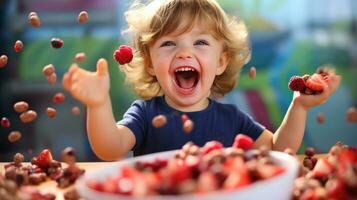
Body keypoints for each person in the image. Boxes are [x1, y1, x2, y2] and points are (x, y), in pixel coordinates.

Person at [62, 0, 341, 161]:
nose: (185, 52)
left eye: (200, 42)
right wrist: (98, 104)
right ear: (149, 62)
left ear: (221, 62)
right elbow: (109, 150)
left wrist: (299, 107)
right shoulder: (145, 114)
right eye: (169, 43)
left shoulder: (233, 118)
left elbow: (280, 150)